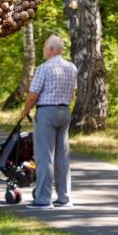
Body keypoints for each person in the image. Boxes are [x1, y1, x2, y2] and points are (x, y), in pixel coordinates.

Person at [18, 35, 77, 208]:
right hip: (64, 111)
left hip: (47, 112)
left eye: (44, 48)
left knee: (44, 156)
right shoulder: (71, 68)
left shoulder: (44, 68)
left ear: (51, 50)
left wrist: (24, 112)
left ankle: (43, 199)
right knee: (62, 156)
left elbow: (33, 95)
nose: (43, 51)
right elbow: (72, 93)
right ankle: (64, 197)